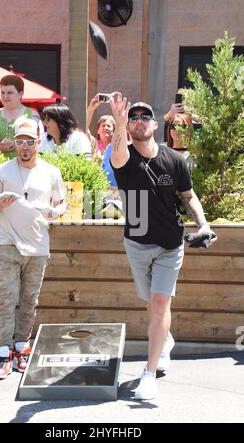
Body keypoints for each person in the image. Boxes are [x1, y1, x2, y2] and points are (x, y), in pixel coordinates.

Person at [110, 94, 217, 400]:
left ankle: (149, 373)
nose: (139, 121)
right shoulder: (125, 158)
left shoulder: (175, 160)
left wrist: (204, 225)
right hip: (137, 243)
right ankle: (165, 339)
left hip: (171, 244)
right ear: (128, 127)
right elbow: (116, 151)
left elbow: (188, 196)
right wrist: (118, 121)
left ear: (156, 125)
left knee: (159, 304)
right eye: (133, 118)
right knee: (151, 304)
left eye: (145, 117)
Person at [0, 116, 65, 380]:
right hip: (8, 243)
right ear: (14, 143)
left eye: (29, 141)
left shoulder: (51, 172)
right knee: (6, 300)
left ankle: (21, 346)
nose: (25, 146)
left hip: (38, 245)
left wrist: (54, 212)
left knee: (29, 300)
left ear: (38, 142)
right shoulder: (2, 170)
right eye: (20, 141)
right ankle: (3, 353)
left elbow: (62, 205)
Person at [0, 75, 43, 152]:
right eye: (2, 92)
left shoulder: (32, 115)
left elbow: (38, 142)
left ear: (20, 94)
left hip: (22, 162)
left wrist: (16, 144)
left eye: (9, 93)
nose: (5, 96)